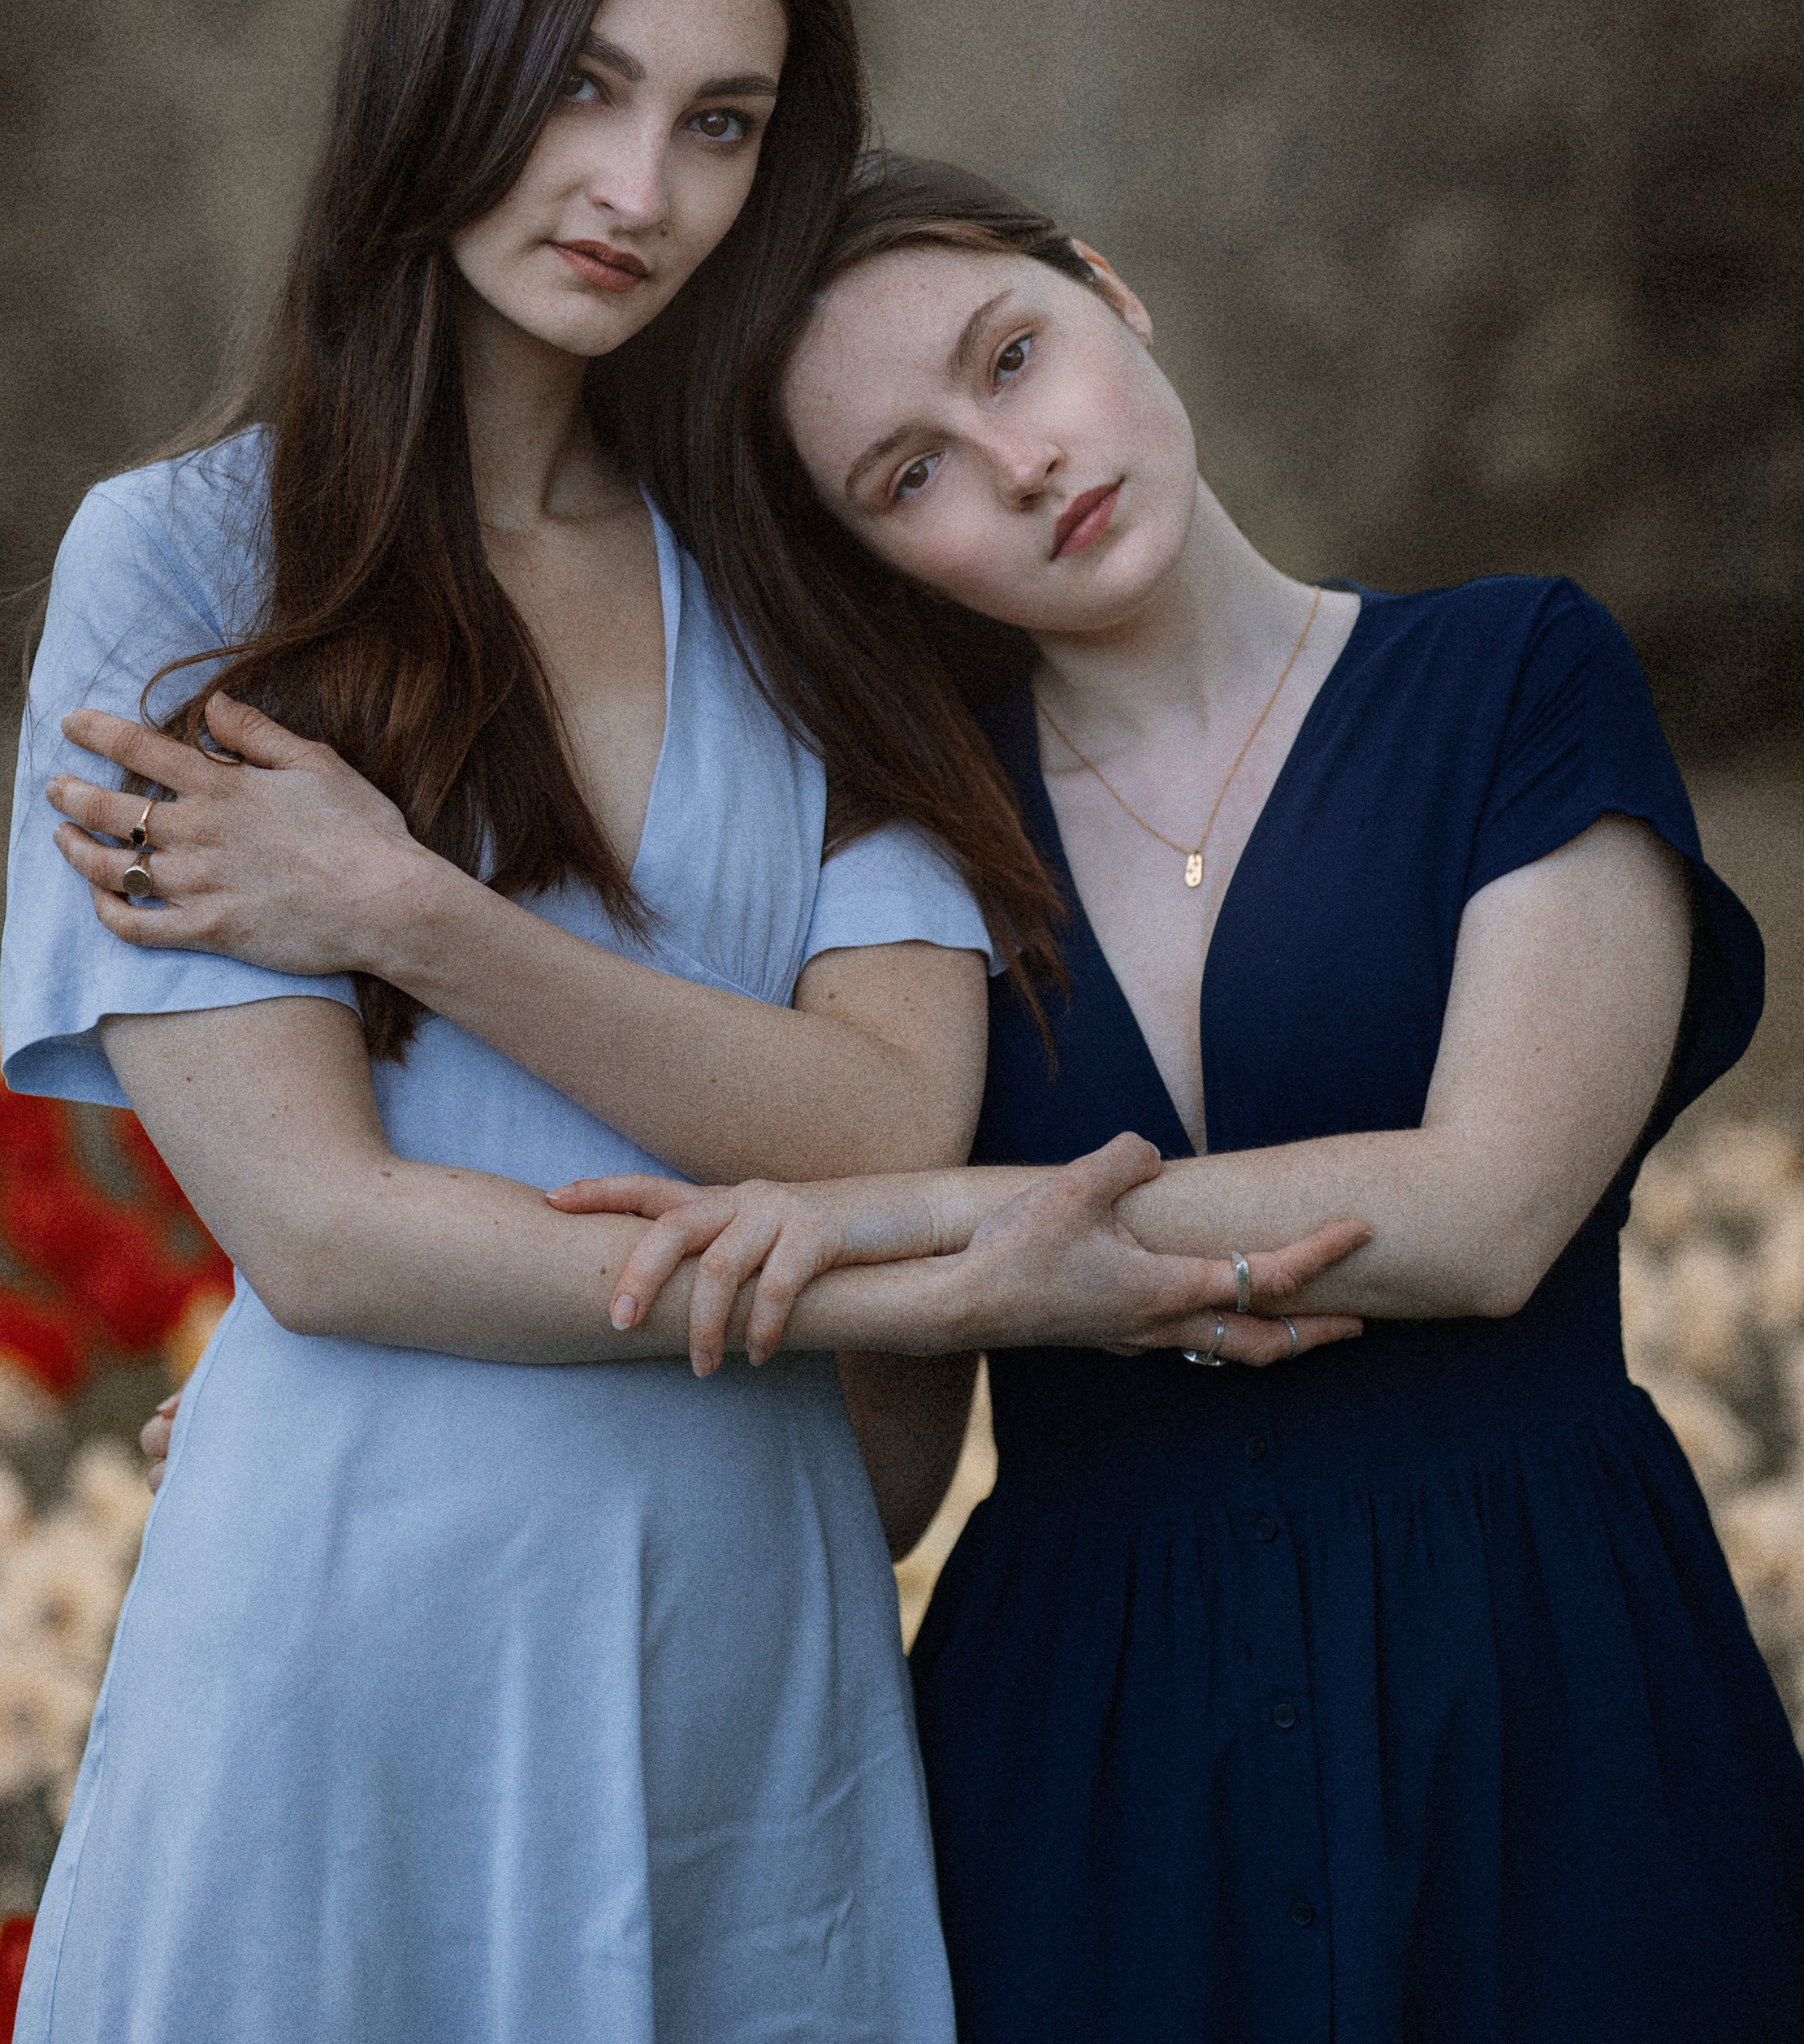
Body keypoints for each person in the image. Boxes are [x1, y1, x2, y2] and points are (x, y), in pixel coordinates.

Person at [5, 0, 1357, 2044]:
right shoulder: (185, 565)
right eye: (579, 86)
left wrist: (408, 913)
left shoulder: (805, 577)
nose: (639, 189)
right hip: (348, 1618)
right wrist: (919, 1273)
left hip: (752, 1634)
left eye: (719, 123)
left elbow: (887, 1108)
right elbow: (323, 1235)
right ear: (434, 65)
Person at [555, 155, 1804, 2044]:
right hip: (1088, 1768)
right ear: (875, 556)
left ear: (1109, 290)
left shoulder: (1512, 676)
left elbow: (1485, 1213)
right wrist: (424, 1403)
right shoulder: (901, 857)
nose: (1018, 464)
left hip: (1547, 1706)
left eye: (1010, 357)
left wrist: (903, 1214)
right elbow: (883, 1467)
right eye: (908, 474)